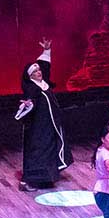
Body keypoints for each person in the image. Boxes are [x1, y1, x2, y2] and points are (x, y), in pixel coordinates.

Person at [15, 39, 72, 191]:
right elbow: (28, 102)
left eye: (38, 70)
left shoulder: (43, 83)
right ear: (30, 76)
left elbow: (46, 67)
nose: (39, 73)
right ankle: (28, 181)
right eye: (35, 72)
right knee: (38, 153)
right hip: (38, 129)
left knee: (50, 150)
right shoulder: (32, 88)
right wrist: (27, 105)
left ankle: (46, 178)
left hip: (50, 125)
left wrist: (47, 50)